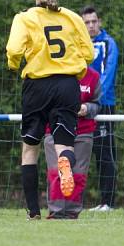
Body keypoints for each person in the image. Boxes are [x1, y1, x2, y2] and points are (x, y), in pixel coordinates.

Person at [6, 0, 93, 219]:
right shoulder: (73, 18)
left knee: (30, 149)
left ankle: (33, 211)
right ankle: (65, 163)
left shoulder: (25, 18)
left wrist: (14, 65)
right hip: (67, 86)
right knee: (64, 144)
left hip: (38, 86)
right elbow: (89, 54)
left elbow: (13, 49)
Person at [43, 67, 101, 218]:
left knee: (79, 174)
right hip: (55, 130)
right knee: (56, 172)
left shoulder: (93, 76)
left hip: (84, 132)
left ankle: (72, 212)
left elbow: (97, 105)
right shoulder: (54, 72)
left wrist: (87, 108)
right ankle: (56, 212)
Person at [81, 6, 119, 211]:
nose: (91, 25)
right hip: (81, 107)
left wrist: (92, 101)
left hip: (103, 106)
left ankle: (109, 202)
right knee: (85, 152)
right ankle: (89, 200)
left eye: (94, 21)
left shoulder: (108, 43)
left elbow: (107, 75)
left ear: (100, 22)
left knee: (106, 153)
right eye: (87, 22)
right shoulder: (78, 45)